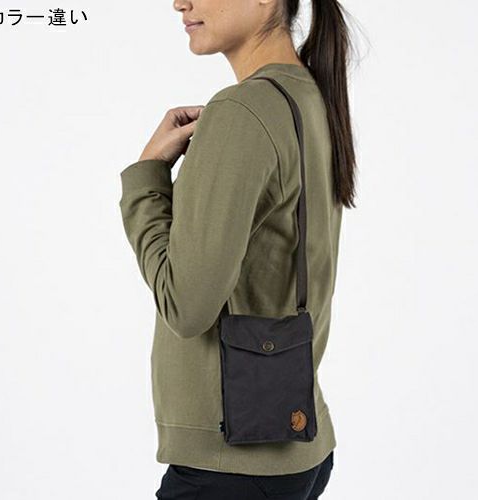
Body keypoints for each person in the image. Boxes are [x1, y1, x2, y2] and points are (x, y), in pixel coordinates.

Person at [118, 0, 357, 498]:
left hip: (230, 463)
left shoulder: (243, 110)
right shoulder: (308, 94)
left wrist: (146, 178)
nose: (179, 3)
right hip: (296, 447)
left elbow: (186, 305)